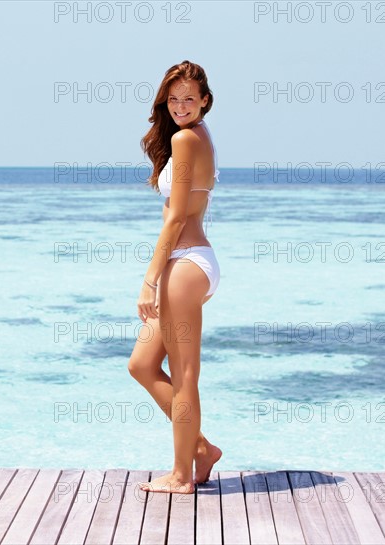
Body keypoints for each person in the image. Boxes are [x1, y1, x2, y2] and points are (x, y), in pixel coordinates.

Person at [128, 60, 222, 494]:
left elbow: (177, 216)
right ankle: (200, 450)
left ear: (205, 100)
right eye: (174, 98)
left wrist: (150, 277)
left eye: (190, 98)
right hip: (187, 262)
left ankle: (183, 475)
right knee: (143, 365)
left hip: (184, 265)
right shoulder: (194, 137)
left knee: (184, 375)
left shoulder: (187, 139)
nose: (181, 105)